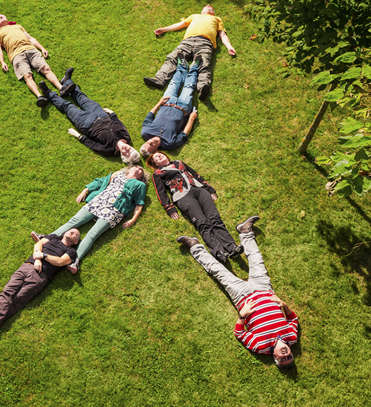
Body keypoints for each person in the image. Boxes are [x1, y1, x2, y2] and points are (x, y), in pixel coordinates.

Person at [176, 216, 299, 368]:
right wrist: (283, 304)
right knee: (256, 259)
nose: (286, 354)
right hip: (264, 289)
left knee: (218, 270)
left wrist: (243, 314)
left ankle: (194, 246)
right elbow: (293, 319)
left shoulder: (260, 347)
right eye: (289, 357)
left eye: (283, 358)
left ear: (275, 357)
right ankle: (245, 232)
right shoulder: (292, 337)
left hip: (242, 296)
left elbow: (240, 333)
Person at [32, 166, 147, 274]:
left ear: (141, 177)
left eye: (140, 169)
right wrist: (85, 190)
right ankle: (45, 238)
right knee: (73, 221)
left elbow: (139, 203)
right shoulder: (119, 174)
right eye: (136, 166)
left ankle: (75, 260)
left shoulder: (140, 185)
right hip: (98, 201)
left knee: (93, 234)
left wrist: (133, 219)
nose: (138, 168)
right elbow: (102, 181)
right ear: (129, 169)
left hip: (114, 210)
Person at [147, 152, 242, 262]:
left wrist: (209, 190)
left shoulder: (179, 162)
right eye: (156, 157)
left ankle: (232, 248)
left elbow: (196, 175)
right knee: (202, 222)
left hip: (200, 190)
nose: (159, 156)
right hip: (183, 196)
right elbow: (161, 192)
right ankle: (219, 252)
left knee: (215, 218)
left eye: (160, 154)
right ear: (155, 164)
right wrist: (169, 208)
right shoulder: (157, 173)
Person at [0, 229, 80, 332]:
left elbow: (60, 261)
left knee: (18, 299)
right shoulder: (53, 237)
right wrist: (38, 259)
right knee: (7, 292)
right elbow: (38, 245)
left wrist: (43, 256)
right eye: (71, 230)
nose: (72, 232)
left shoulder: (71, 252)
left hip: (41, 275)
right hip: (27, 266)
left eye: (76, 234)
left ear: (76, 242)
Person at [40, 68, 140, 162]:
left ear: (123, 156)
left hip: (87, 124)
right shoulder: (126, 137)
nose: (128, 149)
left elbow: (93, 145)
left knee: (67, 107)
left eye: (127, 153)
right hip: (101, 114)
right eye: (131, 150)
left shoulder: (110, 150)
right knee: (81, 97)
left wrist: (79, 136)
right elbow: (120, 124)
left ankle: (48, 93)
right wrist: (112, 113)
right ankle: (67, 81)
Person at [144, 4, 236, 99]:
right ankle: (159, 79)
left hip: (205, 43)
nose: (208, 5)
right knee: (173, 58)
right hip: (187, 42)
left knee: (203, 64)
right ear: (202, 11)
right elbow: (180, 25)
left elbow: (222, 34)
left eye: (211, 7)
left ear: (213, 13)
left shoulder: (217, 19)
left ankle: (203, 87)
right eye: (206, 6)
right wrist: (164, 29)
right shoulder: (194, 16)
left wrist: (229, 47)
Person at [0, 14, 74, 107]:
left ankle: (62, 88)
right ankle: (39, 97)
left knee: (46, 69)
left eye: (2, 15)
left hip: (31, 49)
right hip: (16, 55)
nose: (1, 16)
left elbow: (30, 38)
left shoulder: (17, 26)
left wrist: (42, 48)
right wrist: (2, 62)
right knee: (27, 76)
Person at [140, 58, 200, 156]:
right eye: (151, 145)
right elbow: (184, 134)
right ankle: (194, 67)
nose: (151, 141)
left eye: (147, 143)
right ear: (155, 150)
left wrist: (159, 103)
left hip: (167, 102)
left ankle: (182, 67)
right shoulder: (169, 144)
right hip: (183, 108)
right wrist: (192, 118)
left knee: (174, 83)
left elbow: (149, 117)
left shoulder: (145, 132)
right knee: (189, 87)